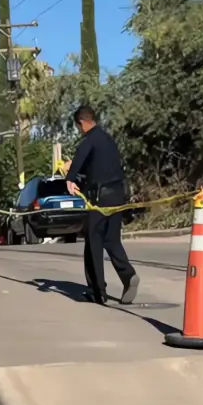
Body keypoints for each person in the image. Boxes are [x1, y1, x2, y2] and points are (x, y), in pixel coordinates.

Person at [64, 104, 138, 306]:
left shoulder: (89, 140)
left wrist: (70, 177)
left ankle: (98, 291)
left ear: (82, 123)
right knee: (112, 240)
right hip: (117, 195)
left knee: (93, 241)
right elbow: (100, 167)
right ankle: (128, 275)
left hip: (99, 198)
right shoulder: (108, 140)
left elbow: (79, 159)